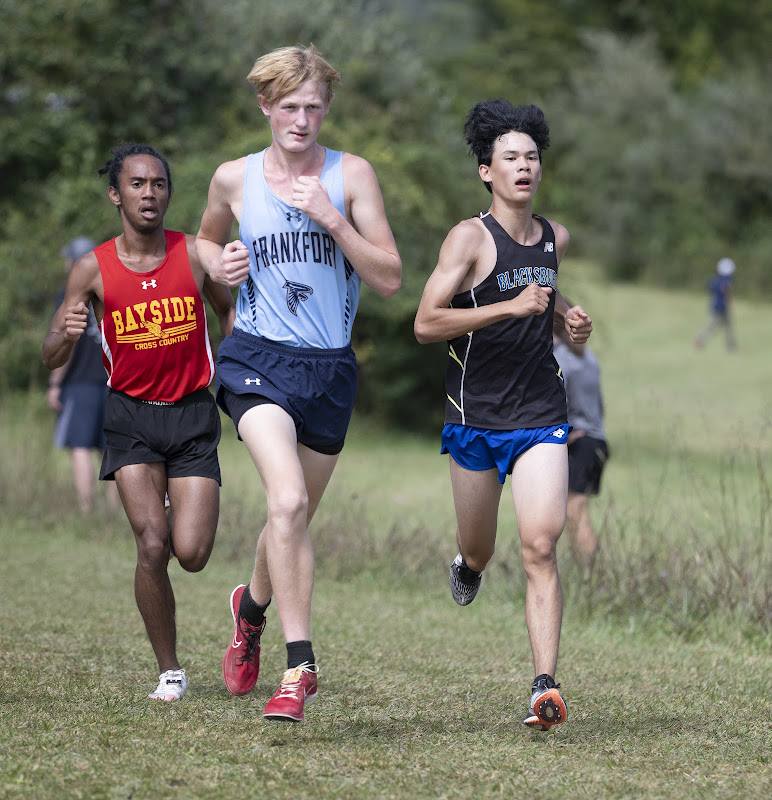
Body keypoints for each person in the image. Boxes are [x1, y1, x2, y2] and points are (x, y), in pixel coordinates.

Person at [195, 44, 401, 722]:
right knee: (284, 501)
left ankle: (249, 610)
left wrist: (333, 219)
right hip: (256, 357)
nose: (303, 120)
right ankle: (299, 665)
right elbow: (203, 241)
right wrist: (218, 262)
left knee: (293, 516)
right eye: (290, 107)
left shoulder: (352, 176)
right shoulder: (234, 177)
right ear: (265, 106)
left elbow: (391, 278)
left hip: (329, 368)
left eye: (314, 108)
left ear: (327, 110)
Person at [414, 100, 592, 731]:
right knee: (481, 548)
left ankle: (545, 685)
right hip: (475, 416)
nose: (523, 166)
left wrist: (568, 320)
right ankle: (466, 566)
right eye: (510, 158)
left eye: (531, 156)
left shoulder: (554, 237)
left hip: (541, 411)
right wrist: (507, 310)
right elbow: (426, 323)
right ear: (486, 172)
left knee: (542, 545)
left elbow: (543, 292)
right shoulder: (468, 238)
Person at [42, 142, 236, 702]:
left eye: (158, 184)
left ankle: (176, 506)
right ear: (115, 194)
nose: (149, 194)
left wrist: (231, 363)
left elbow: (227, 313)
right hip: (128, 418)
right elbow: (52, 351)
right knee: (152, 546)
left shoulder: (196, 254)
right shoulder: (91, 268)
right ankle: (170, 670)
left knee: (192, 554)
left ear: (168, 192)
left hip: (193, 414)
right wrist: (67, 333)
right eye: (136, 184)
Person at [47, 236, 119, 514]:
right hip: (112, 381)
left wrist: (55, 384)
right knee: (108, 447)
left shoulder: (69, 295)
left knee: (79, 446)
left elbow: (67, 343)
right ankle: (114, 510)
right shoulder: (108, 289)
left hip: (79, 384)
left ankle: (86, 509)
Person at [552, 316, 609, 576]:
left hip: (581, 443)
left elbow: (555, 407)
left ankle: (589, 575)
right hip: (598, 441)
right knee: (577, 509)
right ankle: (584, 571)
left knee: (575, 511)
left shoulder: (559, 359)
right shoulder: (588, 357)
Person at [694, 257, 737, 351]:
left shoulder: (715, 280)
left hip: (714, 306)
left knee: (721, 326)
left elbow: (710, 290)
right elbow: (727, 294)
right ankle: (701, 340)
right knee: (722, 326)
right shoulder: (727, 281)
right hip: (723, 307)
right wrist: (728, 305)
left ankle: (701, 340)